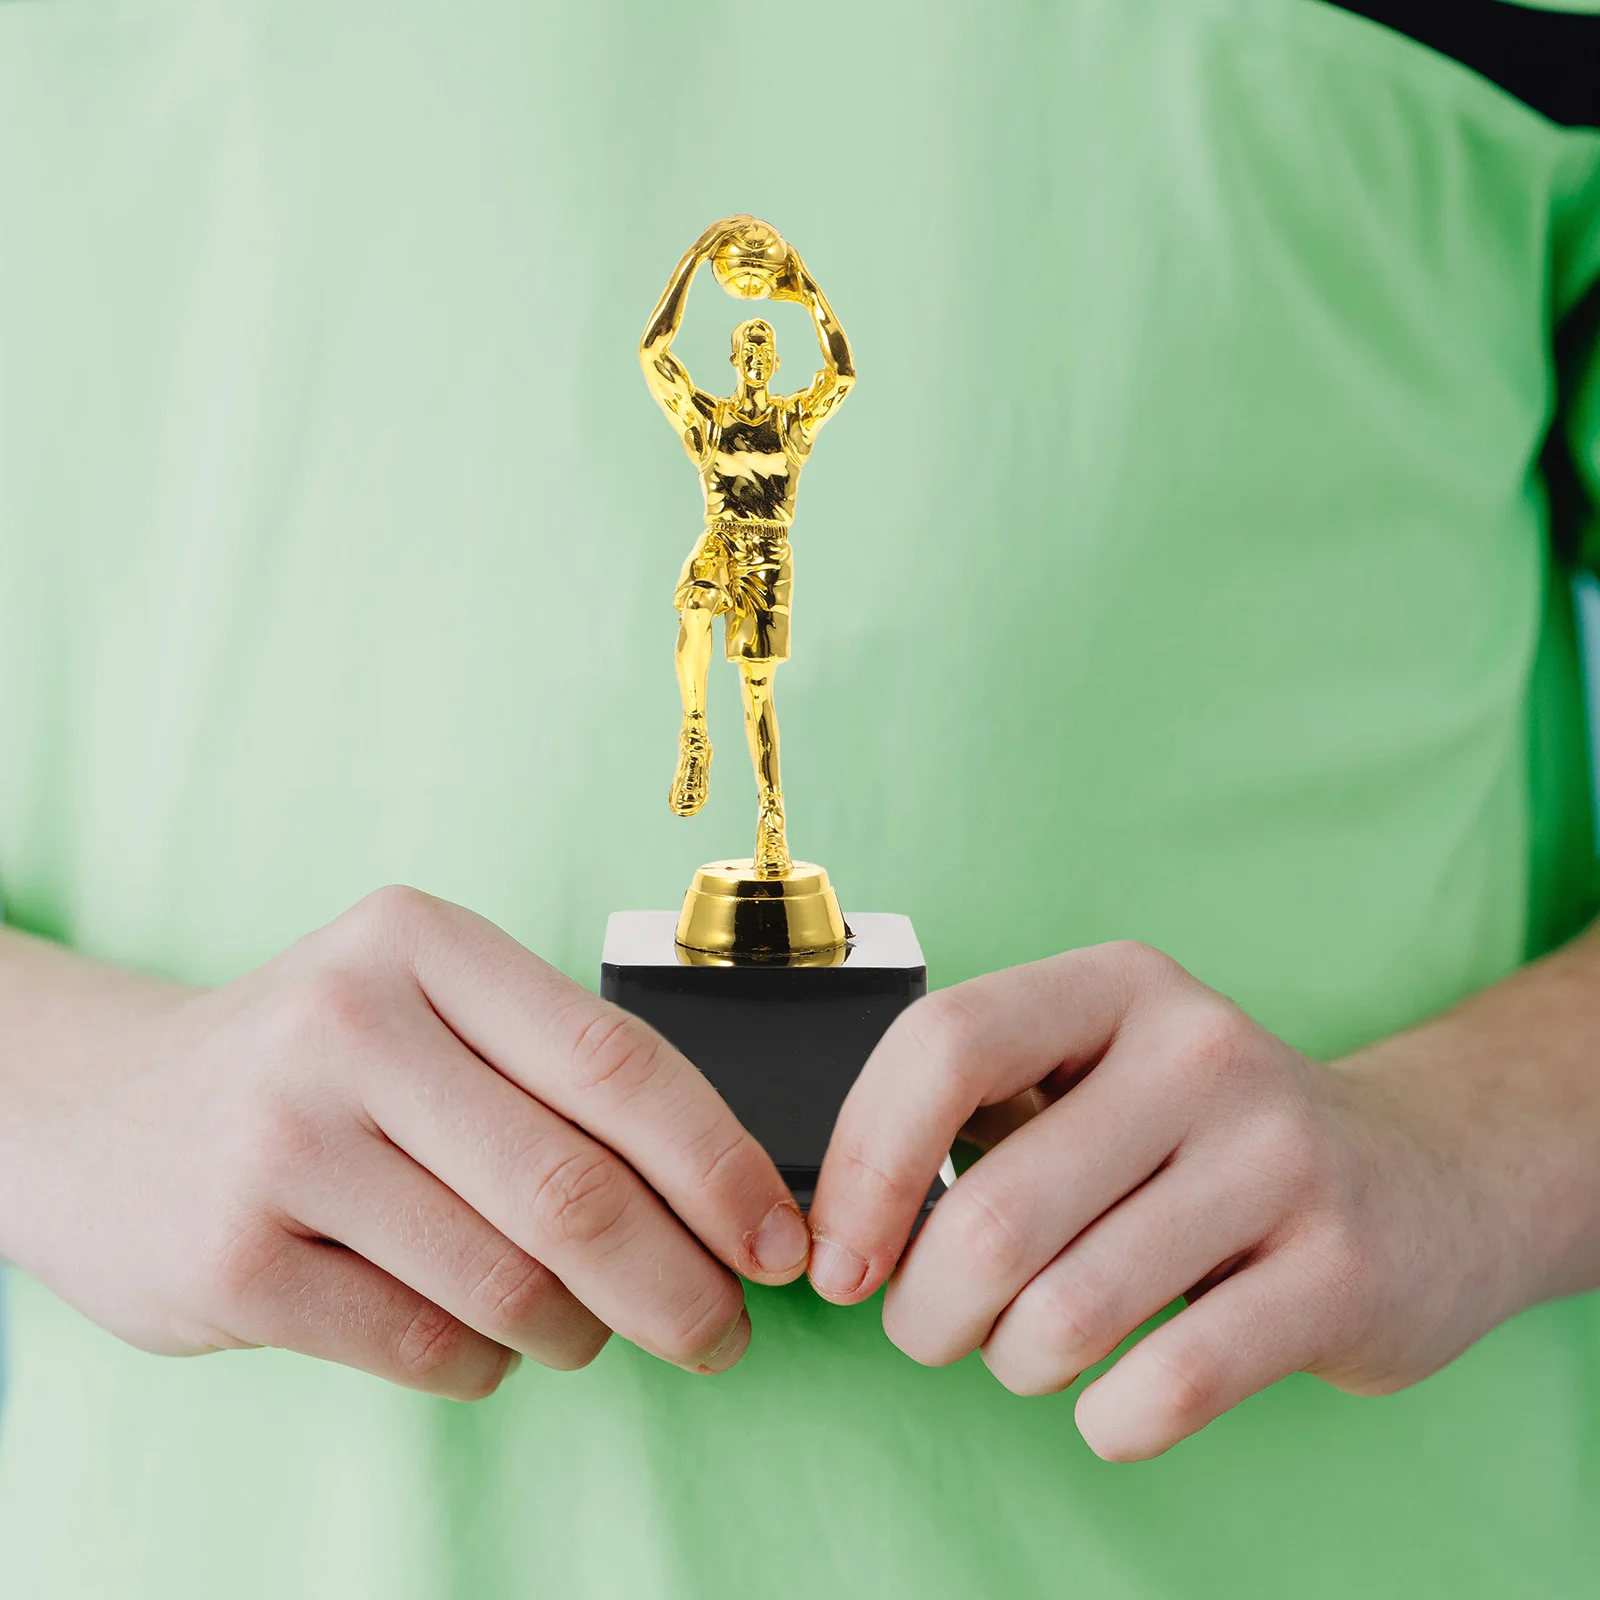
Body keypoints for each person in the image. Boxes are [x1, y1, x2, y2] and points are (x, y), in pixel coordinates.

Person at [0, 2, 1597, 1597]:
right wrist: (54, 1093)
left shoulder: (775, 414)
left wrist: (1475, 1141)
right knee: (724, 699)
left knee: (749, 712)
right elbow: (665, 354)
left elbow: (809, 363)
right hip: (240, 1534)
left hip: (1324, 1536)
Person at [641, 217, 855, 872]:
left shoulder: (794, 421)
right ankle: (696, 733)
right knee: (696, 601)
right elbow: (654, 352)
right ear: (735, 361)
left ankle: (770, 812)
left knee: (759, 691)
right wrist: (693, 257)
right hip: (721, 542)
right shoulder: (709, 421)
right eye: (749, 349)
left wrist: (806, 291)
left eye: (768, 350)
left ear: (776, 363)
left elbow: (842, 373)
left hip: (768, 554)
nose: (759, 358)